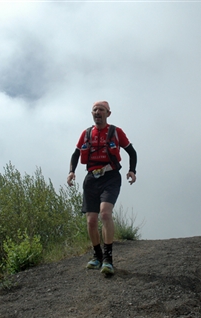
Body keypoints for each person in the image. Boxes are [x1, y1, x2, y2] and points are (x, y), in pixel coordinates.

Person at [67, 101, 137, 275]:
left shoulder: (116, 132)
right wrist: (71, 172)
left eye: (101, 110)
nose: (98, 112)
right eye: (95, 110)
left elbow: (131, 152)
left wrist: (132, 171)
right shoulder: (87, 133)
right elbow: (76, 154)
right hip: (91, 178)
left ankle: (108, 259)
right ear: (92, 113)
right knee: (91, 220)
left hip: (111, 176)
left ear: (108, 113)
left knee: (105, 213)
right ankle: (97, 256)